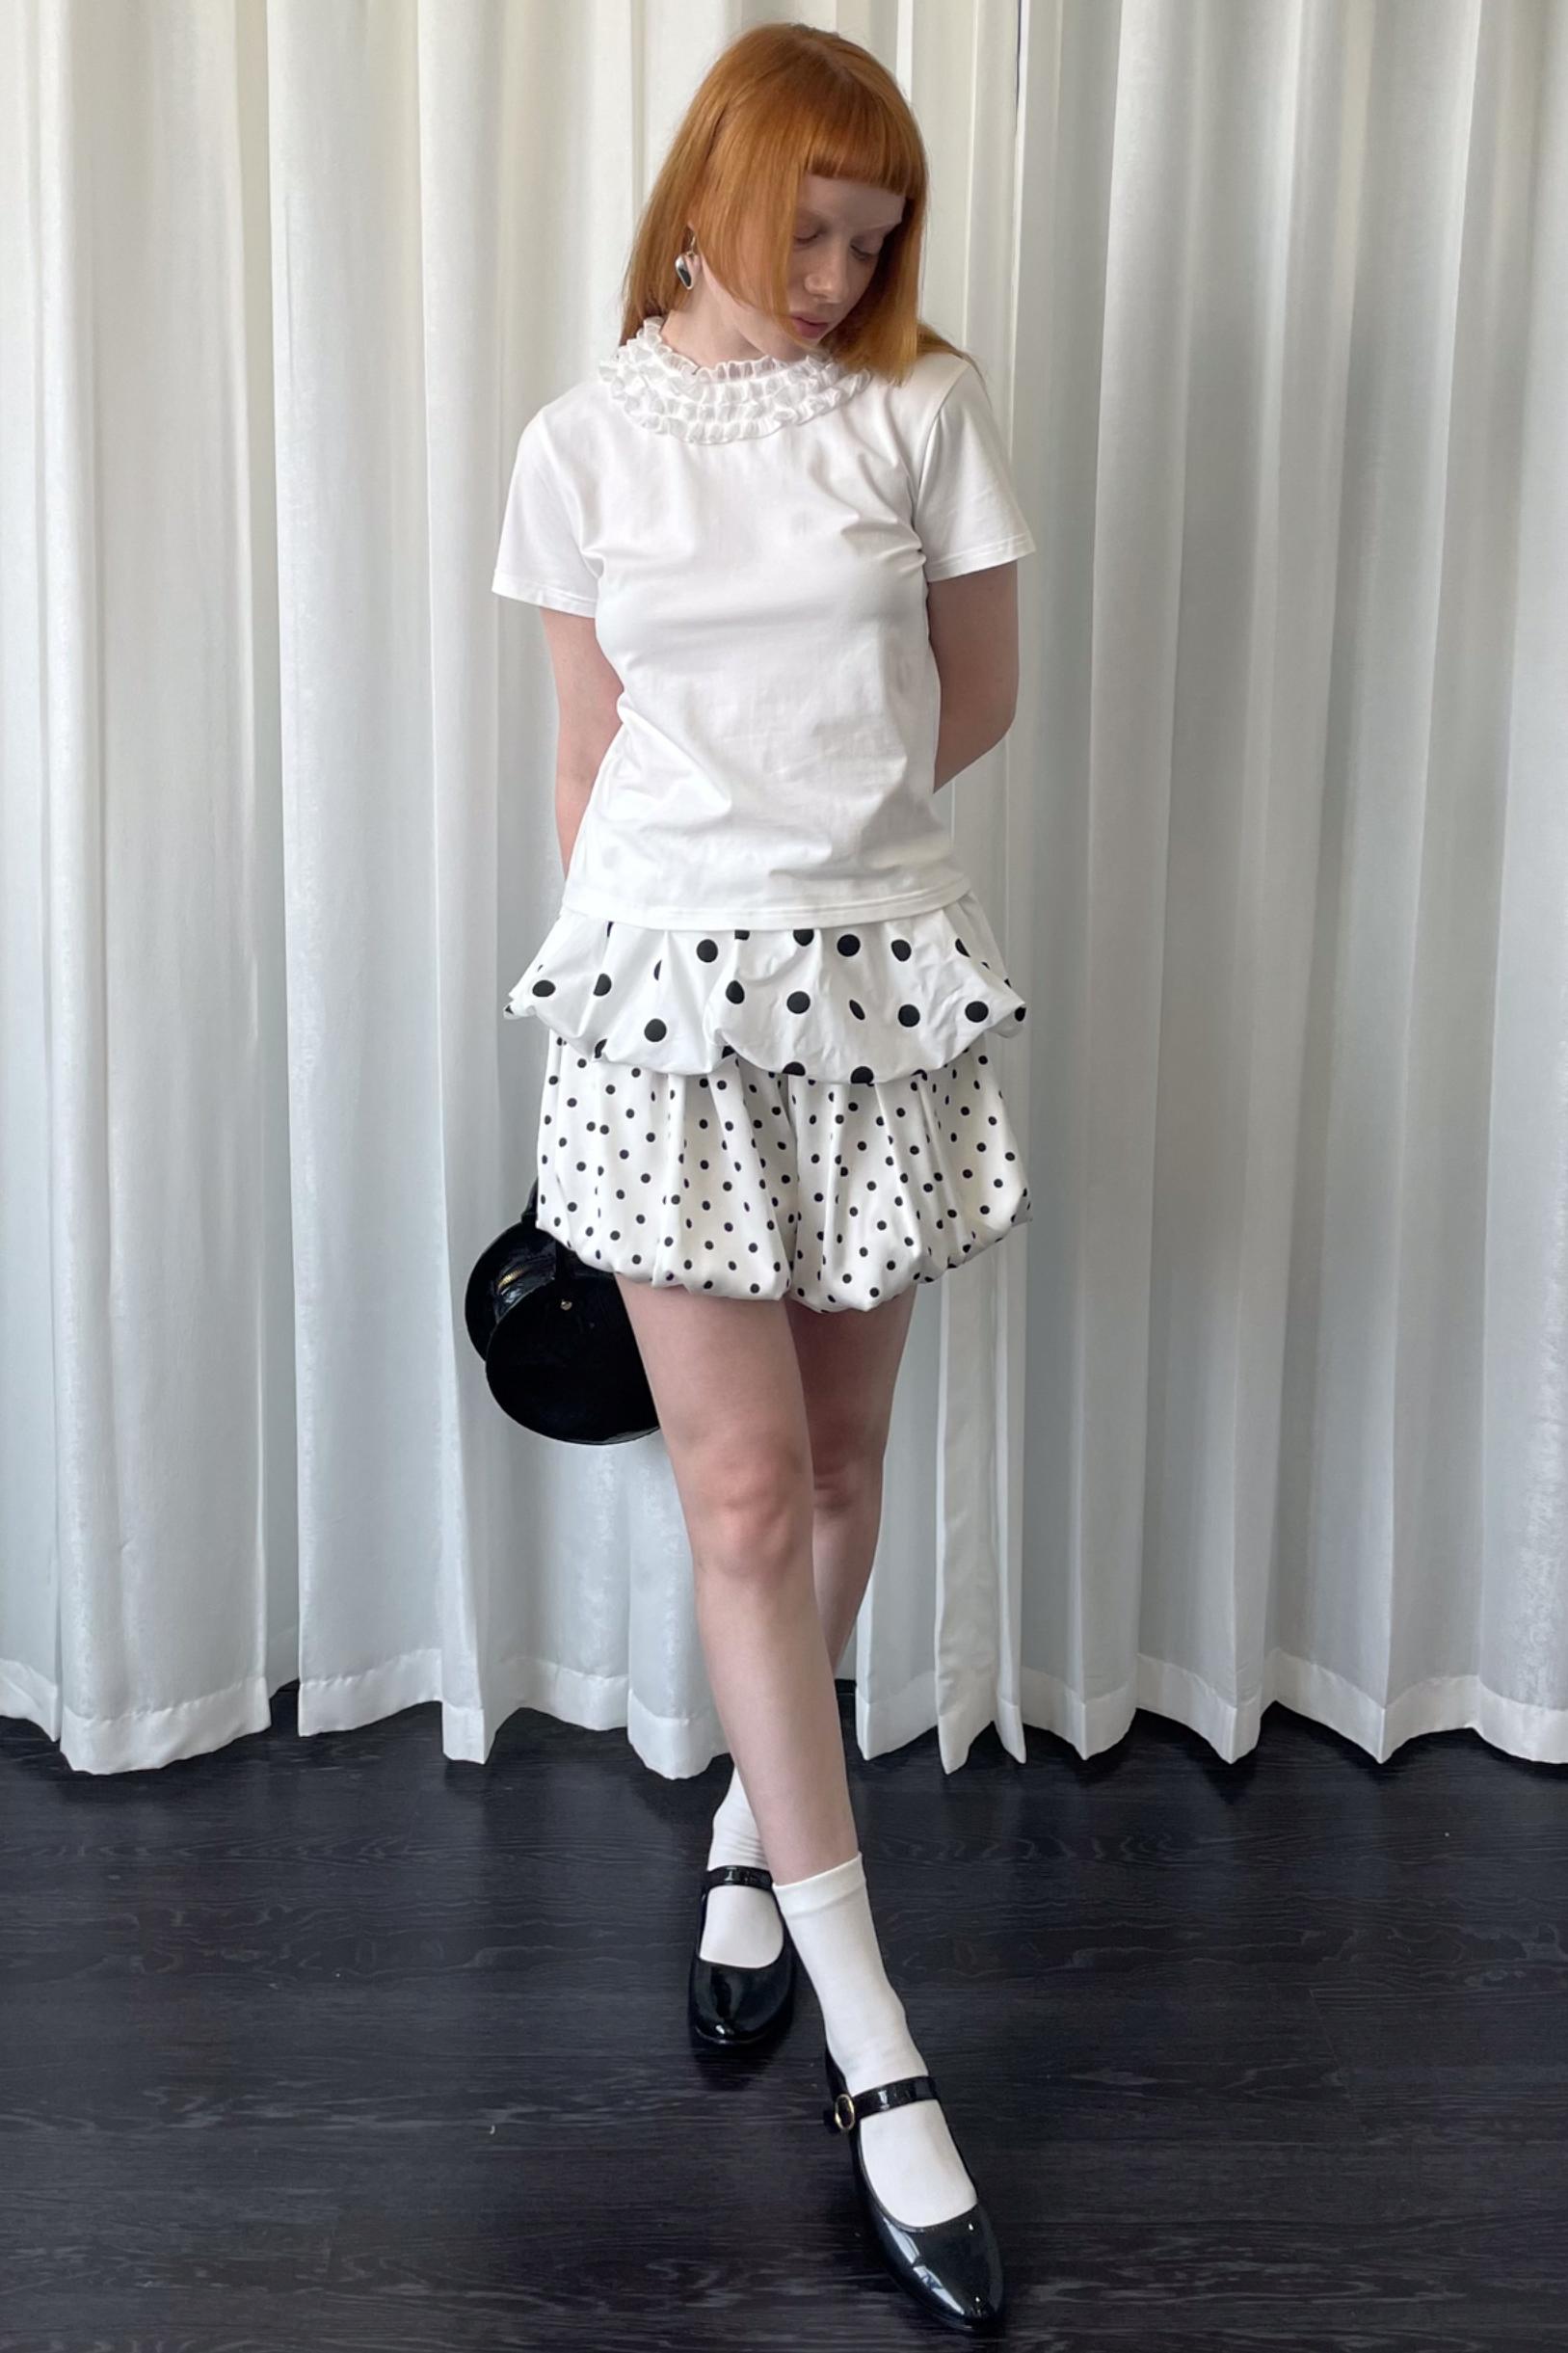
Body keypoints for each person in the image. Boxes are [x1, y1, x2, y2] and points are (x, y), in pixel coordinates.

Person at [492, 21, 1033, 2334]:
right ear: (712, 186)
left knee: (829, 1471)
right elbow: (583, 755)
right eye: (809, 230)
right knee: (733, 1498)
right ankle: (874, 2037)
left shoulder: (921, 410)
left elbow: (972, 695)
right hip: (659, 1008)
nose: (835, 278)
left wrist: (823, 840)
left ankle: (749, 1829)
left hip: (875, 976)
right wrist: (653, 944)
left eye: (869, 240)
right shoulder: (578, 443)